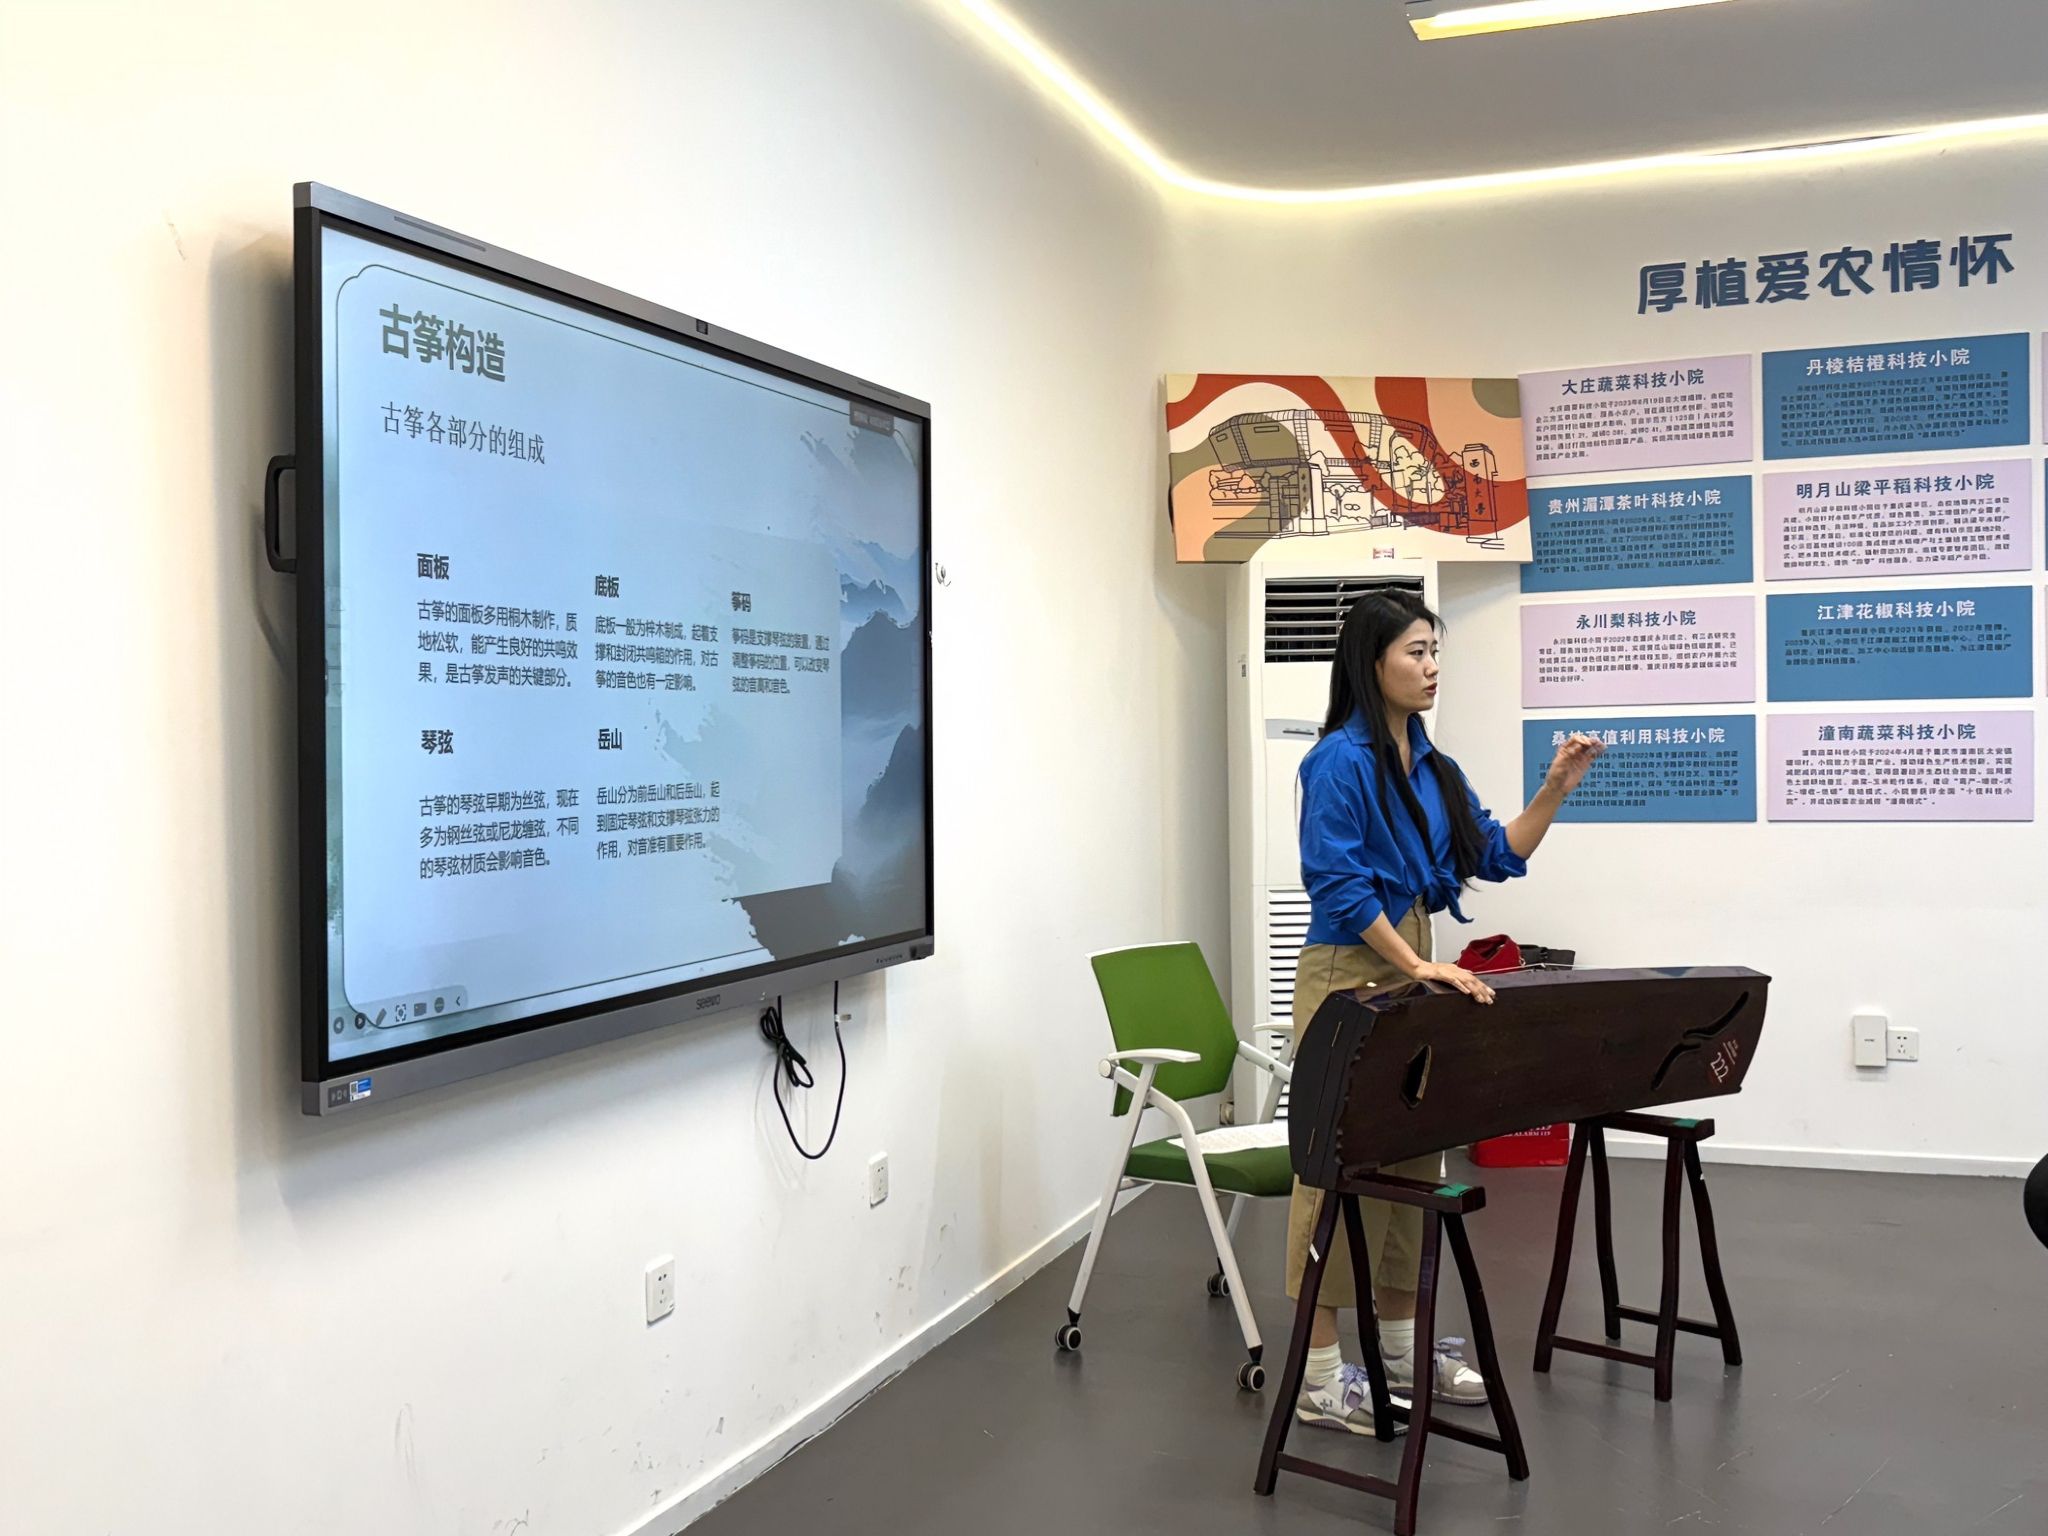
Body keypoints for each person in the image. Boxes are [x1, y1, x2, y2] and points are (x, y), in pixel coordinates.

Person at [1287, 589, 1603, 1436]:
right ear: (1372, 662)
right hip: (1351, 970)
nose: (1432, 668)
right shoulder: (1336, 762)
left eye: (1436, 652)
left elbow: (1496, 852)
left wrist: (1555, 790)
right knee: (1335, 1173)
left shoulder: (1433, 765)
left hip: (1412, 963)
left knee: (1413, 1161)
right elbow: (1338, 884)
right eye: (1416, 652)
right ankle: (1319, 1378)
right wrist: (1418, 964)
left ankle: (1399, 1355)